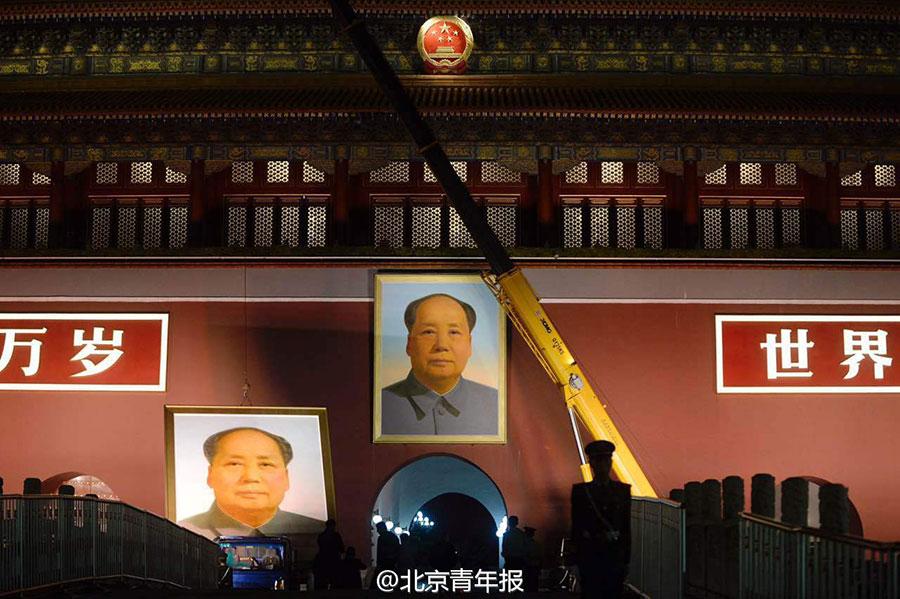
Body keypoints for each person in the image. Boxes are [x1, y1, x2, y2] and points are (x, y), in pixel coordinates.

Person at [381, 293, 498, 435]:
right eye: (429, 332)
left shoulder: (496, 404)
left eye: (454, 332)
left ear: (469, 345)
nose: (442, 345)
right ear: (409, 344)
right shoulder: (380, 405)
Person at [178, 427, 324, 539]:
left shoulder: (318, 533)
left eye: (266, 465)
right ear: (210, 475)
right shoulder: (184, 532)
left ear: (286, 477)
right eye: (235, 464)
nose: (251, 477)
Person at [571, 440, 631, 599]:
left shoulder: (623, 491)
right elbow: (576, 526)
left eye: (606, 460)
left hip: (614, 555)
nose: (603, 465)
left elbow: (626, 527)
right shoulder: (580, 492)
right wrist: (575, 561)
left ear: (610, 462)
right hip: (590, 554)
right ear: (592, 464)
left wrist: (626, 560)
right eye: (599, 461)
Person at [314, 518, 344, 589]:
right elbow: (341, 548)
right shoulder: (336, 536)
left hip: (323, 561)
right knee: (335, 582)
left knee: (323, 583)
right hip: (334, 561)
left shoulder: (321, 536)